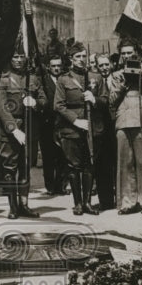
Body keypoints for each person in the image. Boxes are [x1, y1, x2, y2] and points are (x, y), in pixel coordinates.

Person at [0, 45, 45, 219]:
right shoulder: (4, 79)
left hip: (29, 127)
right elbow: (0, 108)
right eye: (15, 56)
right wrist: (14, 129)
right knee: (10, 169)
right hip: (10, 130)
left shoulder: (33, 78)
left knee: (25, 168)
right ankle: (13, 207)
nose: (18, 60)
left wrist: (36, 103)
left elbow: (44, 100)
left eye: (21, 56)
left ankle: (24, 204)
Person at [108, 40, 142, 215]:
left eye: (130, 53)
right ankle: (128, 202)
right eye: (124, 53)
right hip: (123, 121)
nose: (127, 56)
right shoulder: (116, 75)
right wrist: (124, 84)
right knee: (125, 164)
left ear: (136, 53)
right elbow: (112, 101)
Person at [54, 42, 99, 215]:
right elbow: (58, 105)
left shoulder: (93, 77)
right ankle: (78, 203)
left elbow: (103, 100)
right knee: (74, 166)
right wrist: (75, 121)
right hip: (71, 129)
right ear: (71, 59)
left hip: (90, 128)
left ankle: (88, 202)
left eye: (83, 56)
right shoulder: (64, 79)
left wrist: (94, 99)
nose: (81, 60)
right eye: (77, 57)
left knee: (89, 165)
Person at [39, 55, 67, 195]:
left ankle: (60, 185)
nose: (56, 68)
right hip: (47, 123)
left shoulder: (65, 79)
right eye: (54, 66)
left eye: (59, 66)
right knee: (48, 156)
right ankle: (50, 186)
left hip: (63, 122)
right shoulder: (43, 81)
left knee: (62, 155)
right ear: (49, 67)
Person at [92, 52, 117, 210]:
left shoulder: (118, 78)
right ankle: (106, 201)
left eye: (106, 64)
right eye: (100, 65)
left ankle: (121, 198)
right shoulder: (94, 81)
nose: (104, 68)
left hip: (116, 125)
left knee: (119, 163)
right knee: (103, 164)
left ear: (111, 65)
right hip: (101, 126)